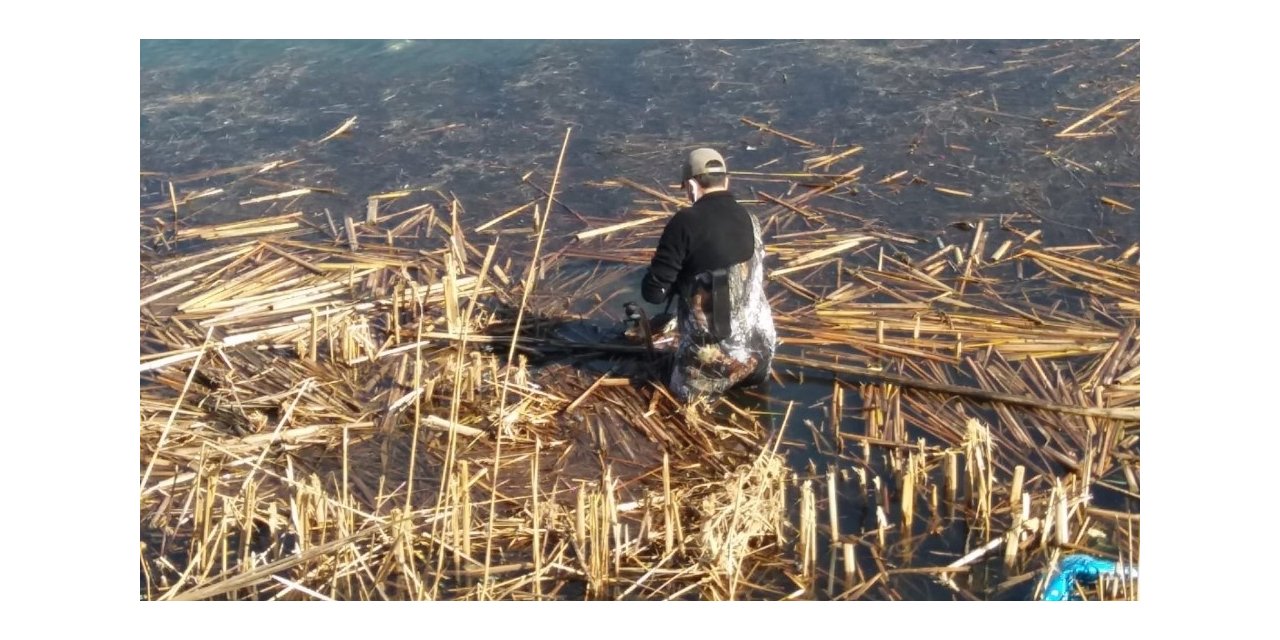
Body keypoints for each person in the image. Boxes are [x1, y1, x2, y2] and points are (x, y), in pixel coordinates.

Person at [640, 148, 776, 402]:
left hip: (709, 373)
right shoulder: (752, 219)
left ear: (691, 186)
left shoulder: (685, 222)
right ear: (727, 180)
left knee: (667, 400)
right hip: (759, 359)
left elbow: (653, 294)